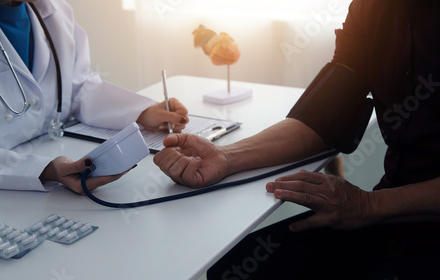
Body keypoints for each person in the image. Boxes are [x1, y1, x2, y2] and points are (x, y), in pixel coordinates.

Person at [154, 0, 440, 278]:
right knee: (234, 267)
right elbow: (322, 119)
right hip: (393, 211)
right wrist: (228, 157)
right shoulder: (372, 7)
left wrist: (370, 206)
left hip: (407, 213)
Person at [0, 0, 189, 194]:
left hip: (52, 187)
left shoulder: (54, 10)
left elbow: (76, 86)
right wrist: (45, 170)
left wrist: (142, 112)